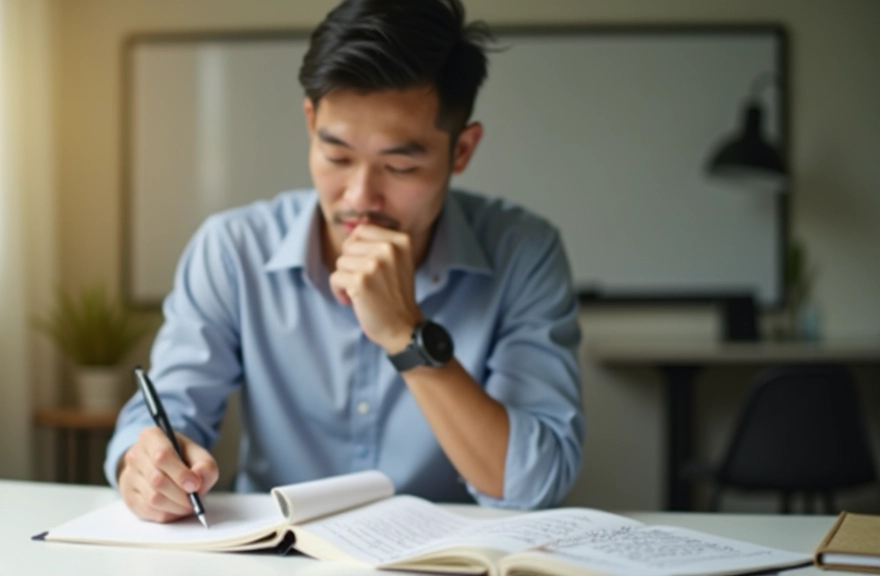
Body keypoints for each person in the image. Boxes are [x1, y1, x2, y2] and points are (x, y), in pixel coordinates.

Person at [105, 0, 584, 523]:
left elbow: (535, 484)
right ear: (311, 124)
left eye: (400, 165)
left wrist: (407, 333)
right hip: (278, 553)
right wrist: (150, 467)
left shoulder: (523, 253)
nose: (360, 197)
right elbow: (163, 416)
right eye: (337, 157)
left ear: (462, 151)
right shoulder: (231, 249)